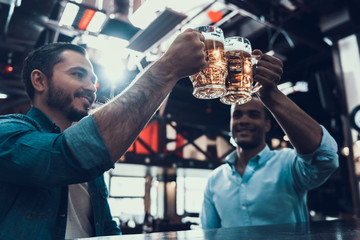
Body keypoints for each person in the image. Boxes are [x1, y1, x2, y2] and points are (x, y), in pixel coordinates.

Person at [0, 28, 207, 239]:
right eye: (78, 74)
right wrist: (167, 68)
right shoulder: (6, 132)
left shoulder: (92, 167)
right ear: (39, 81)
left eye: (93, 80)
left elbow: (106, 228)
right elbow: (63, 156)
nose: (91, 87)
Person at [200, 49, 339, 229]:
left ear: (267, 125)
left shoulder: (287, 163)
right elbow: (209, 234)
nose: (244, 121)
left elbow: (326, 158)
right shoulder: (215, 179)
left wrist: (271, 95)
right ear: (231, 122)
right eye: (238, 115)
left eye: (253, 114)